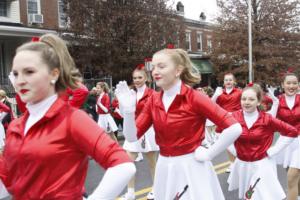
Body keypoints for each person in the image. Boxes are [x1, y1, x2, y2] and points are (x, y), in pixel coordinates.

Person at [1, 33, 135, 200]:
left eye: (29, 71)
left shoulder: (72, 120)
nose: (20, 80)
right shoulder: (16, 126)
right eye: (16, 73)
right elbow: (7, 180)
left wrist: (64, 113)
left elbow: (122, 163)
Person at [116, 48, 242, 199]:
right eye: (154, 67)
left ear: (178, 70)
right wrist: (129, 112)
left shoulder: (195, 97)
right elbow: (131, 137)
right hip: (164, 166)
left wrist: (209, 153)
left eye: (161, 66)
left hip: (191, 166)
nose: (155, 71)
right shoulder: (153, 100)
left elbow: (235, 127)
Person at [225, 84, 298, 200]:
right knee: (248, 195)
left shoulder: (267, 119)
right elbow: (220, 132)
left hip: (261, 164)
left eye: (251, 99)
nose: (247, 102)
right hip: (243, 165)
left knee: (255, 194)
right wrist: (234, 150)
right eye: (243, 99)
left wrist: (274, 150)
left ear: (258, 102)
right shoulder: (233, 117)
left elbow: (292, 132)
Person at [120, 65, 159, 200]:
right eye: (134, 78)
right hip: (133, 131)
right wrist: (122, 102)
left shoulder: (153, 94)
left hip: (148, 131)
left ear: (146, 78)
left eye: (140, 77)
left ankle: (156, 189)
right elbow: (124, 113)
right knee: (128, 163)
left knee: (152, 162)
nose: (136, 80)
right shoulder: (130, 93)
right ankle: (130, 192)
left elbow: (156, 114)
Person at [274, 73, 300, 200]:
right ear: (283, 84)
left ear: (298, 85)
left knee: (291, 177)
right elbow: (269, 119)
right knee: (291, 172)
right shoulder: (277, 100)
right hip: (285, 141)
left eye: (294, 83)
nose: (291, 86)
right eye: (288, 83)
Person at [212, 73, 242, 172]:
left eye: (230, 80)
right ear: (223, 82)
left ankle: (240, 160)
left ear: (234, 81)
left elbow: (244, 106)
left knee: (235, 142)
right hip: (223, 120)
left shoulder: (239, 92)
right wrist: (216, 95)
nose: (228, 82)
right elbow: (210, 104)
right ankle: (232, 163)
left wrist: (234, 113)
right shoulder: (220, 93)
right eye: (226, 80)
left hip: (235, 120)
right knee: (228, 143)